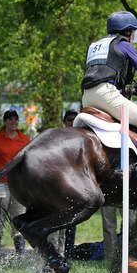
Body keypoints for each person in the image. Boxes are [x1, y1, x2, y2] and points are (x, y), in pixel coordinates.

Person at [81, 10, 137, 182]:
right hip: (105, 95)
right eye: (133, 32)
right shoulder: (124, 44)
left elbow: (101, 73)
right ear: (128, 31)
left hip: (86, 97)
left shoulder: (95, 46)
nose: (133, 36)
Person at [0, 110, 29, 256]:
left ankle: (20, 253)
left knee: (19, 217)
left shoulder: (25, 139)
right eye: (10, 120)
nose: (13, 122)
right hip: (0, 183)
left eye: (16, 119)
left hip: (19, 184)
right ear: (5, 121)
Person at [60, 110, 78, 258]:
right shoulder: (58, 139)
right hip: (60, 186)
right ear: (64, 122)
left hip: (76, 186)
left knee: (72, 222)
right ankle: (57, 252)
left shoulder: (82, 139)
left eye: (74, 120)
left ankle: (68, 253)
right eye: (69, 120)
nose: (71, 123)